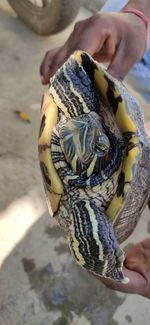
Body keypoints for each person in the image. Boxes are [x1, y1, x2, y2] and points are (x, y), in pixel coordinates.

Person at [40, 0, 150, 298]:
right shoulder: (85, 118)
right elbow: (75, 79)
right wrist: (139, 15)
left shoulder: (81, 203)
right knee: (84, 118)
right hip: (101, 136)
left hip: (99, 170)